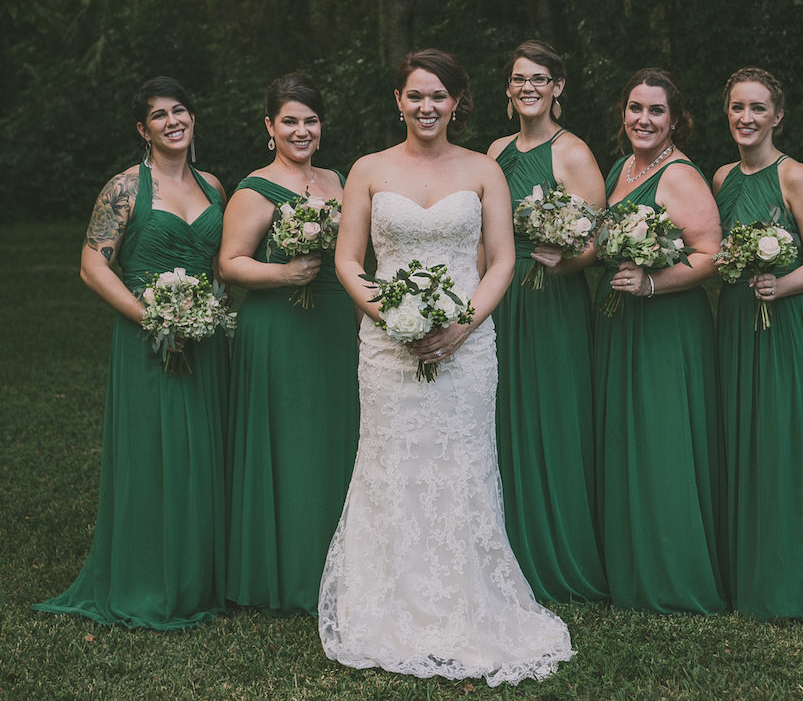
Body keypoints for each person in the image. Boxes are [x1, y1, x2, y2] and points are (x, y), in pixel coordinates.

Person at [319, 49, 574, 685]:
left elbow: (502, 262)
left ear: (457, 103)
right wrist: (391, 318)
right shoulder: (369, 170)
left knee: (460, 464)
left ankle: (466, 605)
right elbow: (349, 260)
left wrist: (462, 326)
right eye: (415, 96)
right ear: (398, 102)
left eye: (439, 96)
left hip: (469, 344)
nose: (427, 107)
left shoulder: (485, 169)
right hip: (387, 349)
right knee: (393, 461)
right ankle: (386, 607)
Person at [34, 77, 229, 628]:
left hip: (206, 337)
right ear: (143, 130)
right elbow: (93, 265)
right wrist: (154, 316)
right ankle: (149, 579)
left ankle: (200, 579)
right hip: (149, 335)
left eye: (181, 110)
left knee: (204, 452)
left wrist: (211, 310)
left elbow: (221, 263)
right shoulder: (124, 188)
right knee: (155, 454)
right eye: (160, 115)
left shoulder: (213, 185)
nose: (174, 121)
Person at [220, 72, 359, 615]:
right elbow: (230, 265)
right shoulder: (254, 189)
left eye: (311, 121)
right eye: (290, 122)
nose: (301, 131)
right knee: (289, 441)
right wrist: (284, 275)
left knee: (334, 434)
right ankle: (289, 572)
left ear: (321, 128)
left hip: (331, 324)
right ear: (270, 127)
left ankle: (340, 565)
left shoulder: (340, 181)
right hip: (278, 327)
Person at [593, 68, 726, 614]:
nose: (642, 119)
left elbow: (711, 253)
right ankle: (627, 559)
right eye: (634, 108)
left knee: (662, 437)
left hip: (666, 326)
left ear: (675, 120)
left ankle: (673, 571)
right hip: (619, 320)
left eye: (655, 111)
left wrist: (652, 282)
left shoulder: (679, 176)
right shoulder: (621, 167)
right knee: (627, 434)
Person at [486, 39, 608, 602]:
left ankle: (563, 552)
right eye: (519, 79)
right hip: (505, 302)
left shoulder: (574, 153)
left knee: (554, 416)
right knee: (504, 414)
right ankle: (507, 549)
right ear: (508, 91)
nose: (528, 87)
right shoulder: (494, 150)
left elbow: (598, 240)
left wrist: (567, 261)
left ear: (558, 87)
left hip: (554, 303)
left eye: (540, 78)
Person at [713, 67, 803, 620]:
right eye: (738, 107)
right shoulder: (720, 179)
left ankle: (785, 577)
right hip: (737, 323)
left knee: (781, 443)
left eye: (758, 108)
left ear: (777, 116)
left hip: (785, 324)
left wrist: (780, 284)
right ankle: (743, 568)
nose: (746, 118)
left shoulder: (796, 178)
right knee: (742, 437)